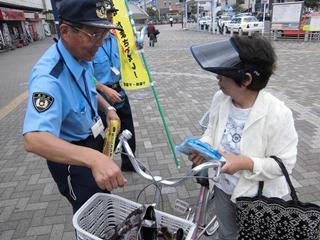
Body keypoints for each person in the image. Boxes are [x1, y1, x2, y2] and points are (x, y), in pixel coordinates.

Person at [22, 0, 127, 213]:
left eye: (104, 35)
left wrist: (108, 109)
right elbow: (34, 139)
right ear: (65, 31)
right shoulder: (48, 77)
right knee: (90, 214)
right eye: (94, 35)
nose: (99, 43)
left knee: (103, 199)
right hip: (71, 156)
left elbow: (88, 87)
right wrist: (93, 158)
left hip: (92, 138)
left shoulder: (81, 54)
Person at [189, 35, 298, 239]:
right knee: (227, 233)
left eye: (223, 74)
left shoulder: (278, 113)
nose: (217, 79)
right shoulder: (221, 99)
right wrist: (203, 146)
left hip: (258, 196)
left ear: (246, 79)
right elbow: (212, 131)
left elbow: (285, 164)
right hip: (222, 187)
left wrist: (244, 163)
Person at [93, 0, 136, 172]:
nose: (110, 17)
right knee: (103, 133)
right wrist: (104, 89)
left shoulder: (114, 37)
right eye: (107, 13)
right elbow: (85, 76)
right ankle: (103, 166)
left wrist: (136, 47)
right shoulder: (92, 42)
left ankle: (129, 163)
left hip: (118, 89)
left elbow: (126, 56)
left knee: (127, 128)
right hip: (99, 94)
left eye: (111, 13)